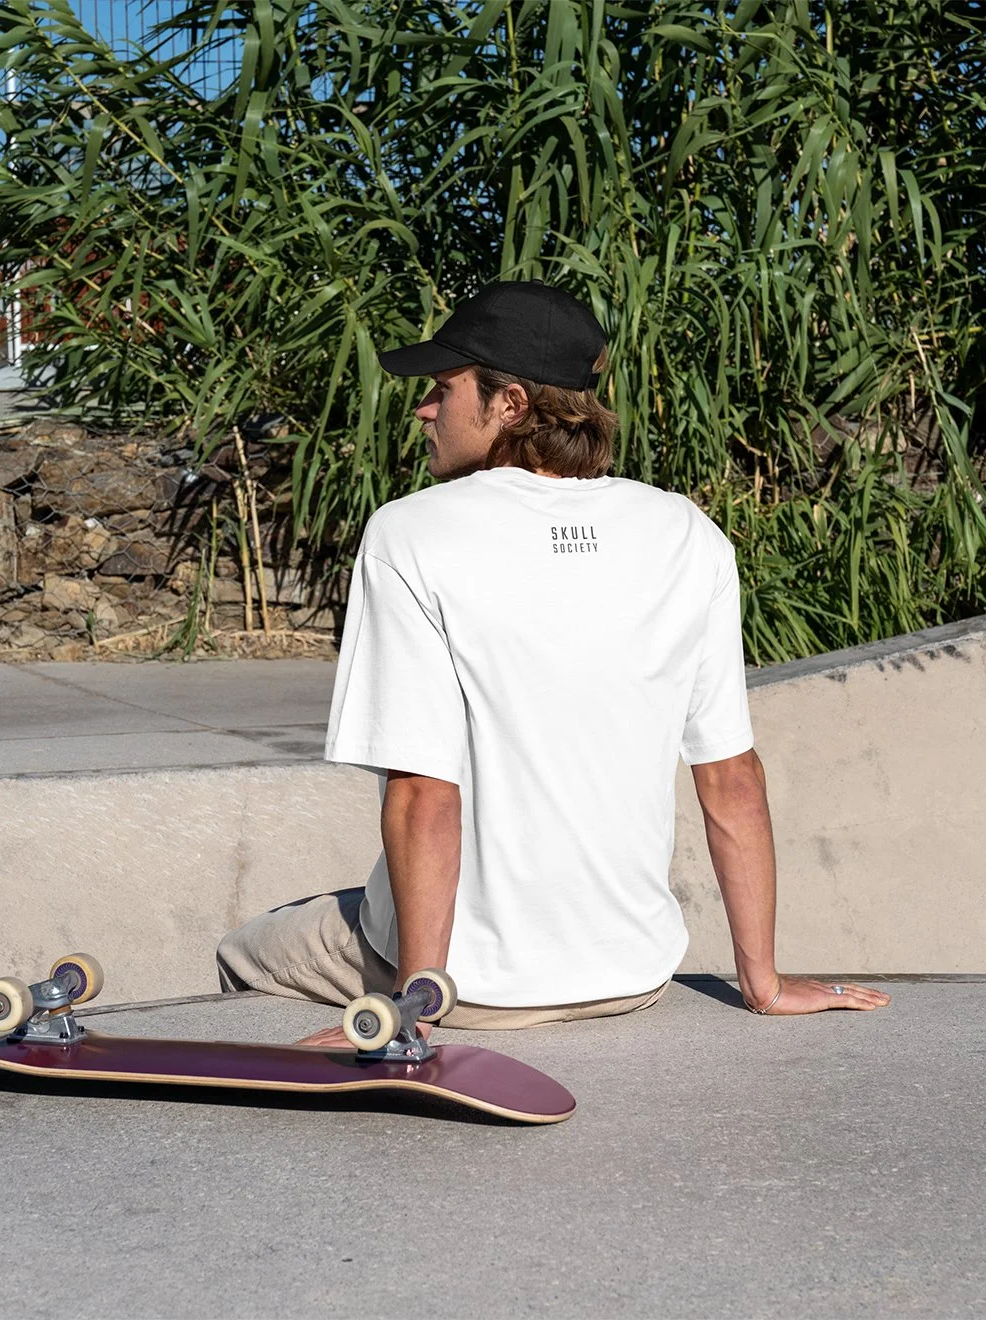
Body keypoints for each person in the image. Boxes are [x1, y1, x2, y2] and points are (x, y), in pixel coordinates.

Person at [216, 280, 890, 1036]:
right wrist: (761, 983)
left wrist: (411, 1016)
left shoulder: (413, 534)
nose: (424, 411)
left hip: (466, 991)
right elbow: (731, 776)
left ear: (509, 405)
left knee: (249, 949)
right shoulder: (684, 533)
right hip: (632, 976)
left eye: (443, 389)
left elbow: (421, 796)